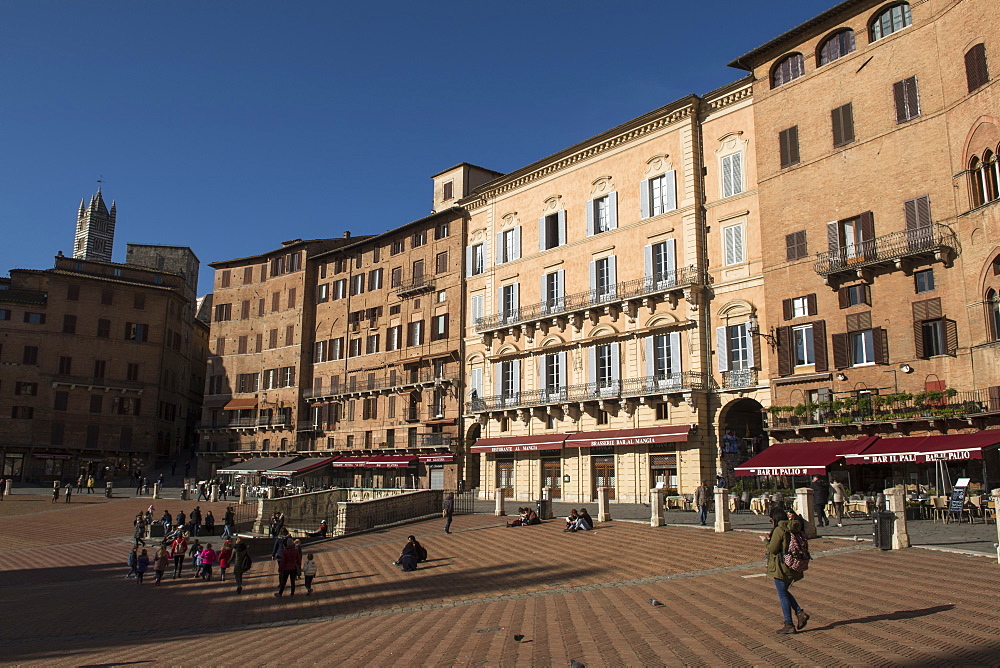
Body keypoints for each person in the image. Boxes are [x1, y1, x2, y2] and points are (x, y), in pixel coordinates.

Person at [765, 509, 809, 634]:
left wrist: (765, 541)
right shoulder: (794, 527)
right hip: (793, 564)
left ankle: (789, 623)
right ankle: (800, 613)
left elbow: (772, 549)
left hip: (781, 566)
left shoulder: (780, 530)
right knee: (784, 591)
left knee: (782, 594)